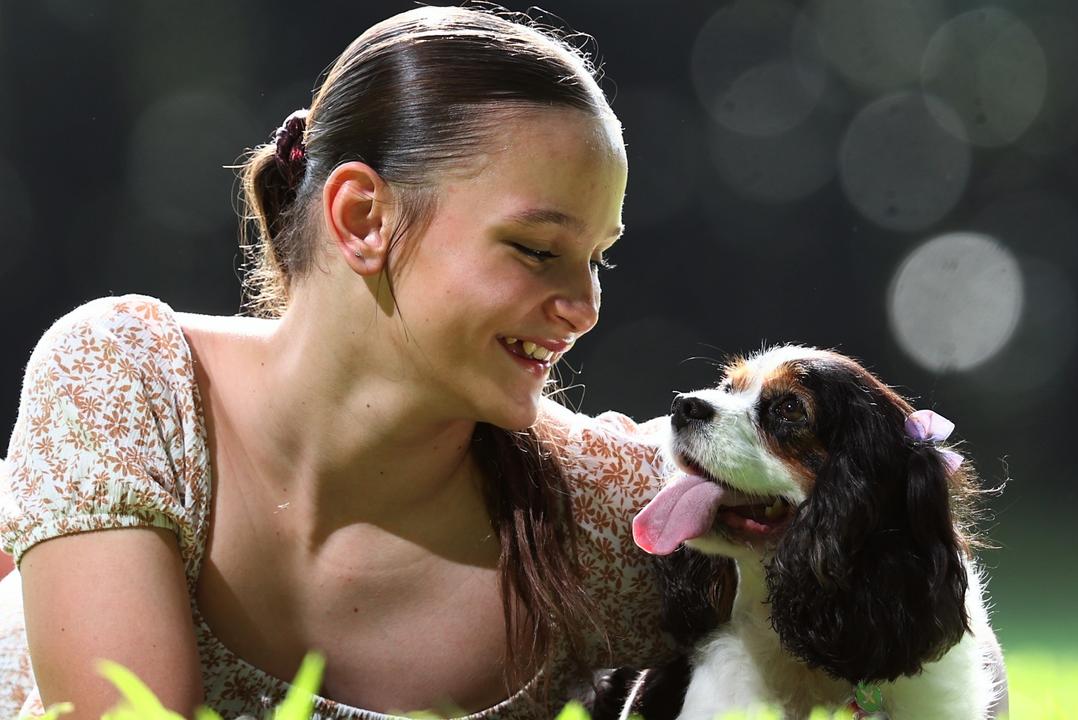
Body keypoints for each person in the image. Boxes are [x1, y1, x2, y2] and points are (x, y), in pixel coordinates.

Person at [0, 7, 675, 719]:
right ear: (363, 218)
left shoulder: (600, 516)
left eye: (597, 258)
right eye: (538, 250)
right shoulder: (127, 383)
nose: (585, 305)